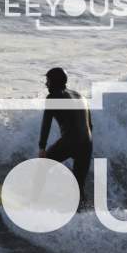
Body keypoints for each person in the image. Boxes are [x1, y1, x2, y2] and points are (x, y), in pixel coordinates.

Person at [38, 67, 93, 206]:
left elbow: (46, 123)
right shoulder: (81, 97)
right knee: (79, 184)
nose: (46, 84)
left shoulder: (53, 97)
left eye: (48, 80)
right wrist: (84, 146)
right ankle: (83, 212)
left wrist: (42, 147)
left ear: (54, 81)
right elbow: (90, 125)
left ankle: (32, 203)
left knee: (40, 167)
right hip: (87, 143)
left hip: (69, 141)